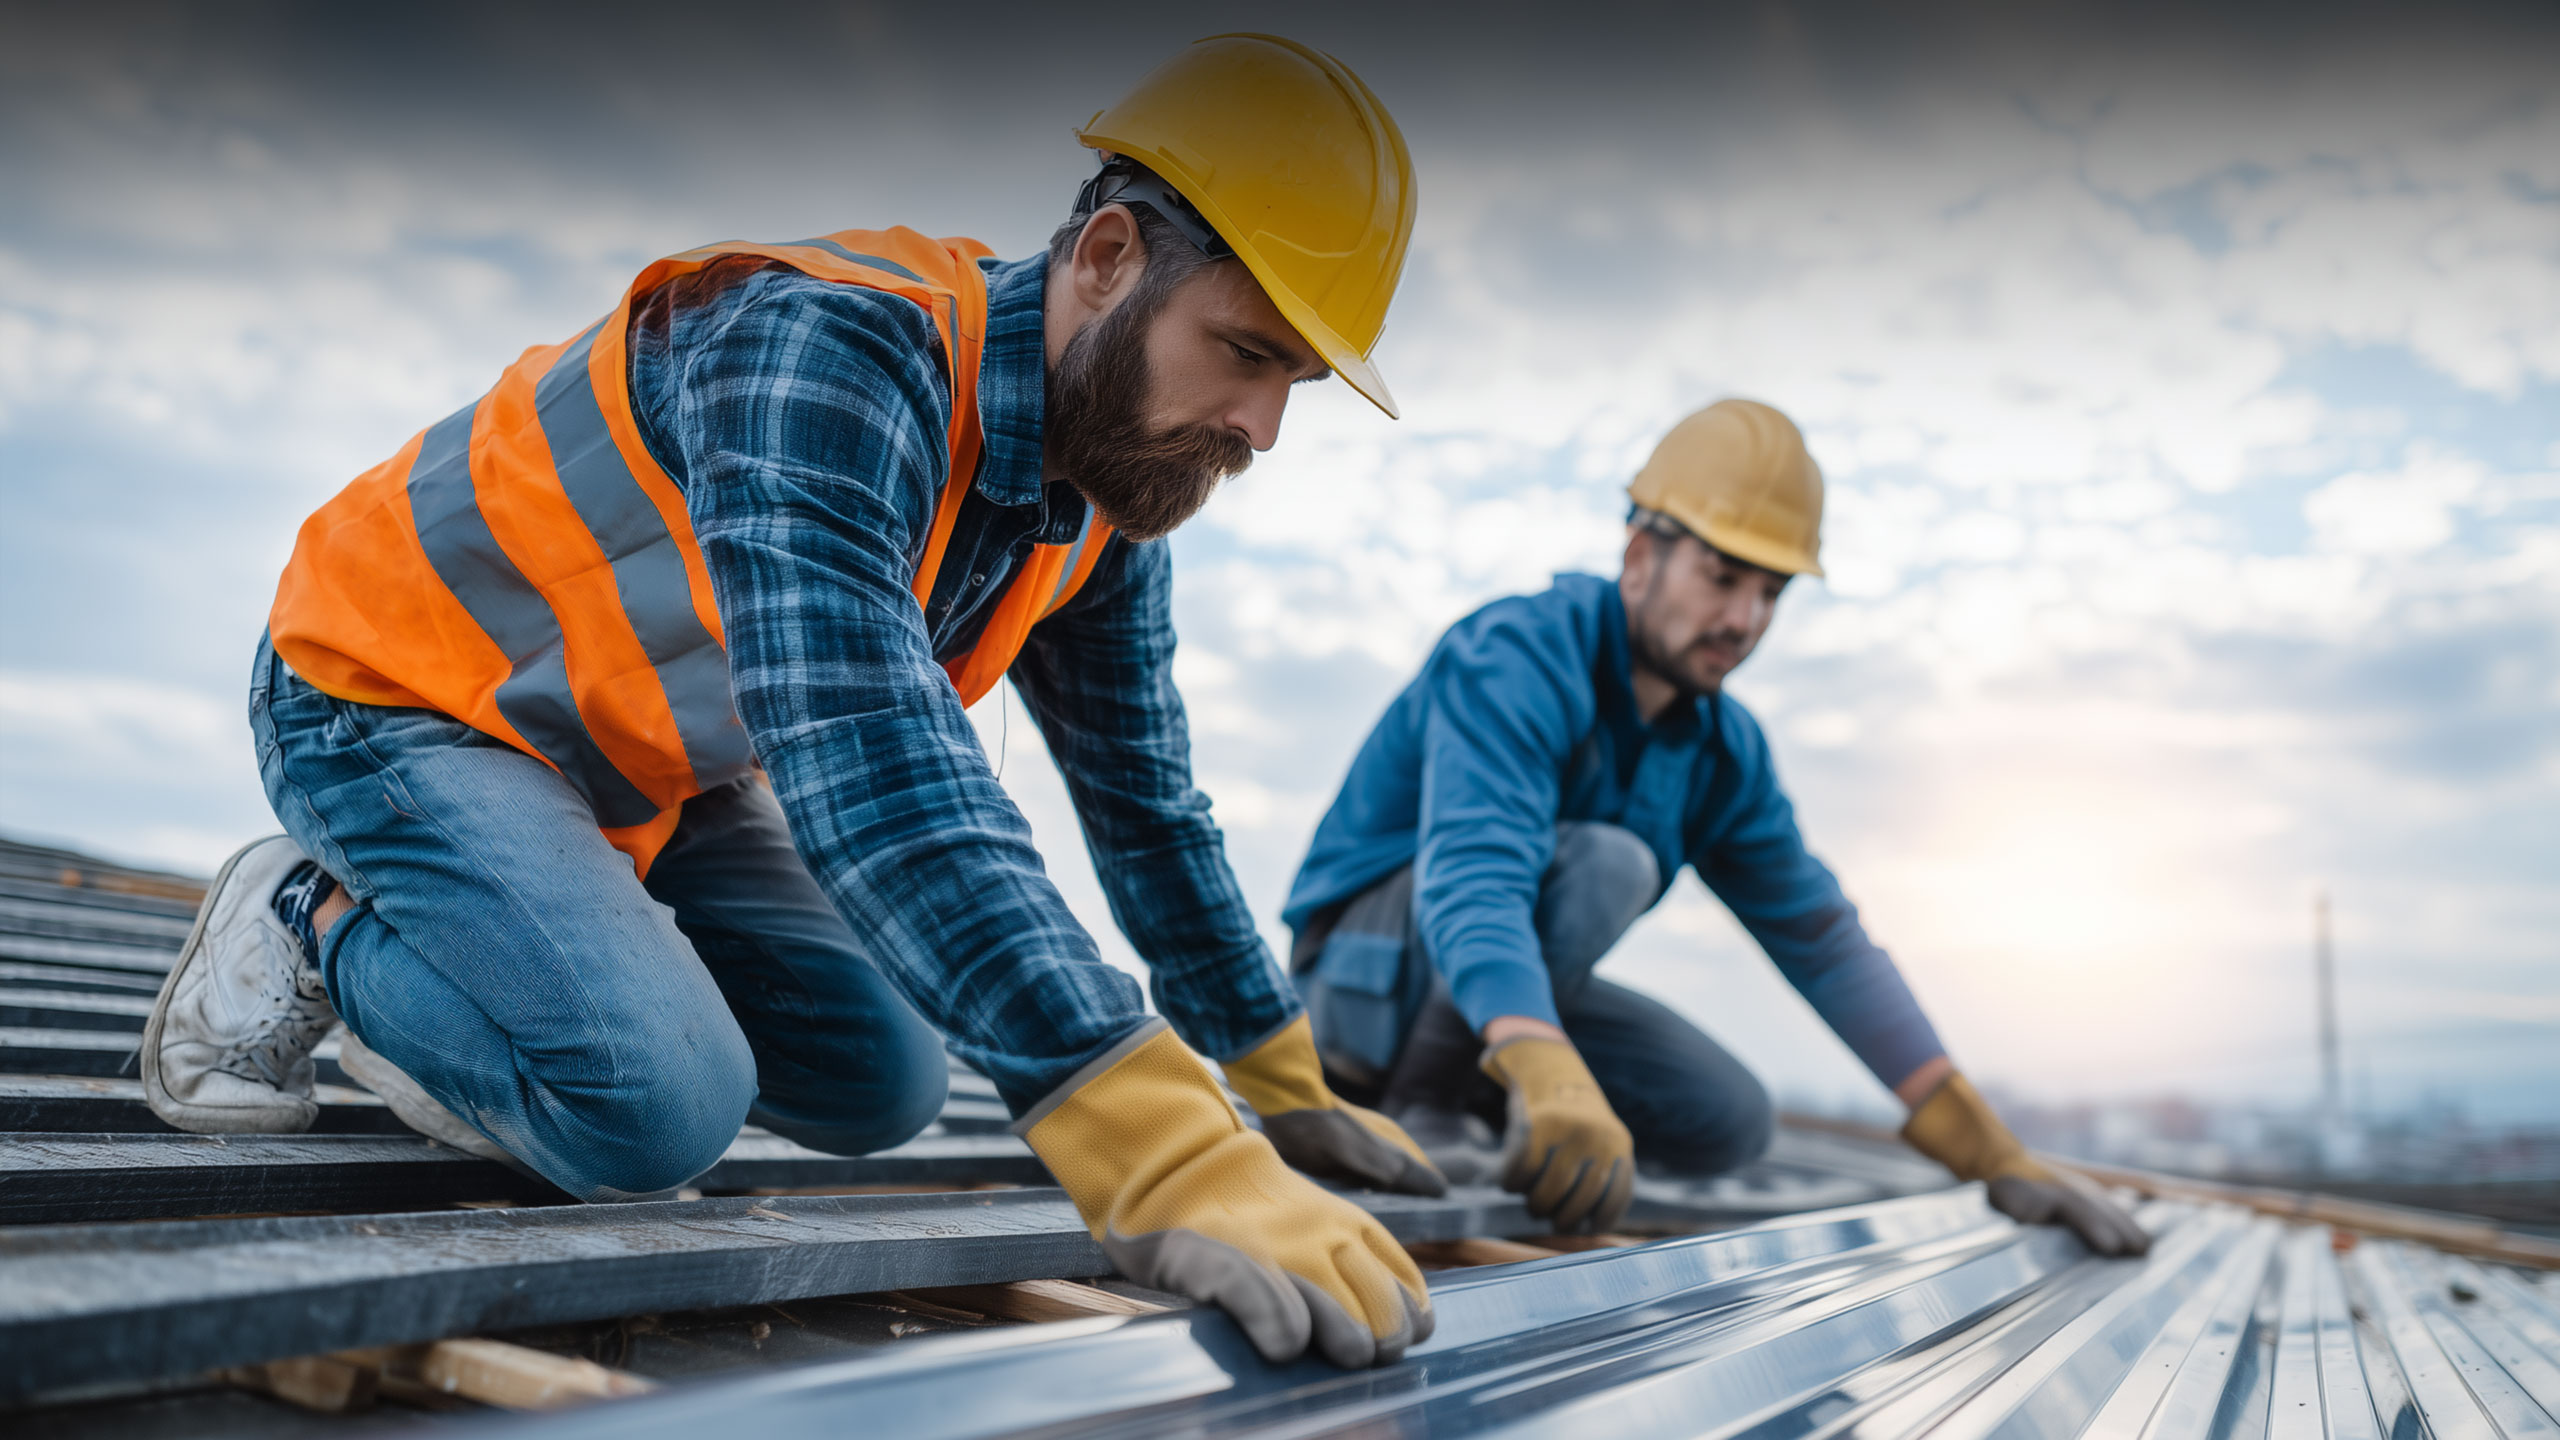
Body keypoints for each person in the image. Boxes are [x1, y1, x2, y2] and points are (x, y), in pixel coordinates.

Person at [141, 34, 1443, 1369]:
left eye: (1296, 380)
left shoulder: (1105, 495)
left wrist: (1276, 1080)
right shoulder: (828, 348)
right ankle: (307, 914)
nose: (1262, 427)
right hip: (400, 693)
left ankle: (533, 947)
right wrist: (1159, 1150)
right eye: (1243, 352)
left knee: (884, 1083)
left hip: (633, 765)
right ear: (1106, 258)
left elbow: (1146, 809)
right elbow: (867, 751)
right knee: (649, 1111)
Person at [1283, 399, 2151, 1255]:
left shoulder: (1720, 753)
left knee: (1728, 1117)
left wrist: (1983, 1146)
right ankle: (1424, 1105)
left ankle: (1486, 1098)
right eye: (1722, 578)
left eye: (1770, 592)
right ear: (1638, 557)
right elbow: (1477, 878)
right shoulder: (1518, 655)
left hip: (1494, 1016)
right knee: (1610, 863)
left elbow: (1823, 941)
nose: (1745, 620)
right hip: (1359, 984)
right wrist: (1543, 1061)